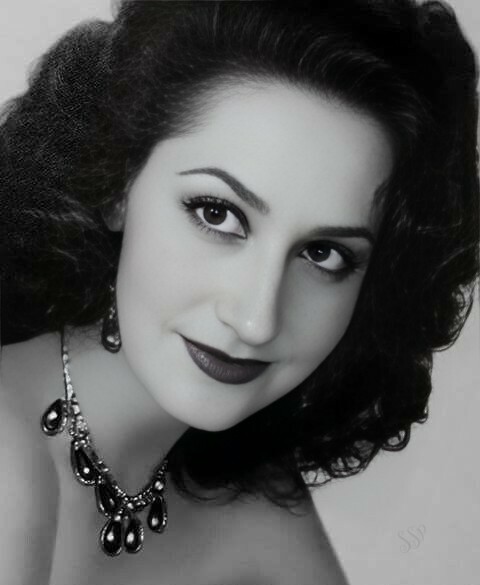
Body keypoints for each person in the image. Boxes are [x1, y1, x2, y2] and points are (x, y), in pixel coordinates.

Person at [0, 0, 478, 583]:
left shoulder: (249, 500)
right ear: (116, 183)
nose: (256, 320)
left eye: (323, 254)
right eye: (217, 214)